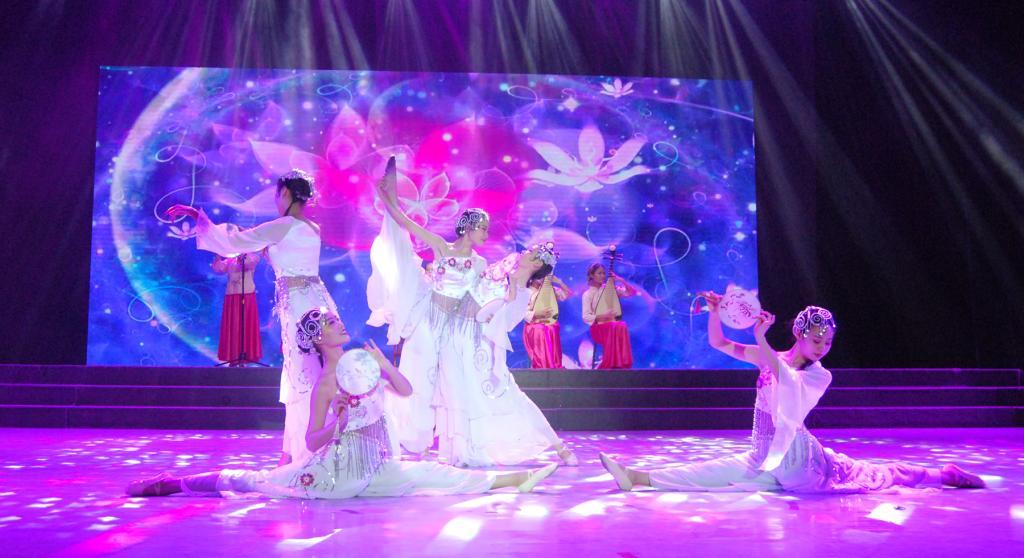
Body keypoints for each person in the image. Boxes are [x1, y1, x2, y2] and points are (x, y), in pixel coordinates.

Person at [125, 308, 559, 499]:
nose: (340, 324)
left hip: (379, 465)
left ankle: (520, 479)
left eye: (336, 319)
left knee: (438, 476)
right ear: (319, 338)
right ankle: (173, 484)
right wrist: (341, 422)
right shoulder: (326, 384)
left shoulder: (362, 363)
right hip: (335, 472)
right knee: (255, 481)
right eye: (332, 323)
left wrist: (384, 366)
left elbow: (406, 390)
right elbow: (313, 441)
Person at [599, 297, 986, 493]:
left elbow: (785, 379)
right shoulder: (770, 356)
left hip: (800, 461)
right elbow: (719, 343)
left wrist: (761, 339)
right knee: (710, 472)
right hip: (764, 452)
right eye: (817, 340)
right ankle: (637, 477)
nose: (822, 347)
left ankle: (940, 474)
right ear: (799, 334)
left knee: (876, 474)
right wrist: (715, 312)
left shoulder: (820, 375)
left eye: (828, 342)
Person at [367, 157, 578, 468]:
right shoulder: (441, 247)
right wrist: (388, 199)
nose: (486, 234)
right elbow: (406, 225)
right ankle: (415, 440)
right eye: (482, 228)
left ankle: (453, 446)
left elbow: (488, 301)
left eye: (487, 229)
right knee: (421, 377)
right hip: (430, 320)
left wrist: (509, 295)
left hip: (457, 329)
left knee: (452, 386)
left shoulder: (481, 264)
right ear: (468, 227)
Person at [166, 169, 338, 465]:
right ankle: (295, 449)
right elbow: (282, 255)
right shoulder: (312, 227)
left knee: (303, 374)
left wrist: (197, 216)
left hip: (299, 307)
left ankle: (304, 453)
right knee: (311, 370)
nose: (275, 200)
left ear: (286, 193)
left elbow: (234, 242)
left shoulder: (282, 226)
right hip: (316, 301)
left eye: (277, 194)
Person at [581, 263, 638, 369]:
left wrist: (621, 280)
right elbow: (586, 317)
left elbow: (632, 293)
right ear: (592, 275)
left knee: (621, 325)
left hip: (613, 326)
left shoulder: (611, 290)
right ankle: (609, 363)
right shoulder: (587, 294)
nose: (602, 276)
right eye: (599, 273)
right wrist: (603, 316)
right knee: (614, 325)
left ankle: (621, 363)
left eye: (603, 273)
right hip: (598, 328)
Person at [211, 251, 263, 365]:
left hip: (247, 295)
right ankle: (233, 356)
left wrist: (241, 256)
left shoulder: (252, 256)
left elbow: (248, 265)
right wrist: (218, 254)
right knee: (233, 326)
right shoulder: (231, 259)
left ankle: (246, 356)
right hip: (232, 295)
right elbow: (218, 268)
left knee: (246, 325)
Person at [523, 271, 572, 369]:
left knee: (553, 326)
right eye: (540, 276)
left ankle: (554, 365)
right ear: (532, 277)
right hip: (534, 326)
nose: (542, 278)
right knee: (541, 329)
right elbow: (522, 312)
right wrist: (537, 314)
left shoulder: (550, 290)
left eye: (544, 276)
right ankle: (542, 365)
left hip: (548, 324)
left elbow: (568, 293)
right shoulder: (526, 292)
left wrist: (559, 282)